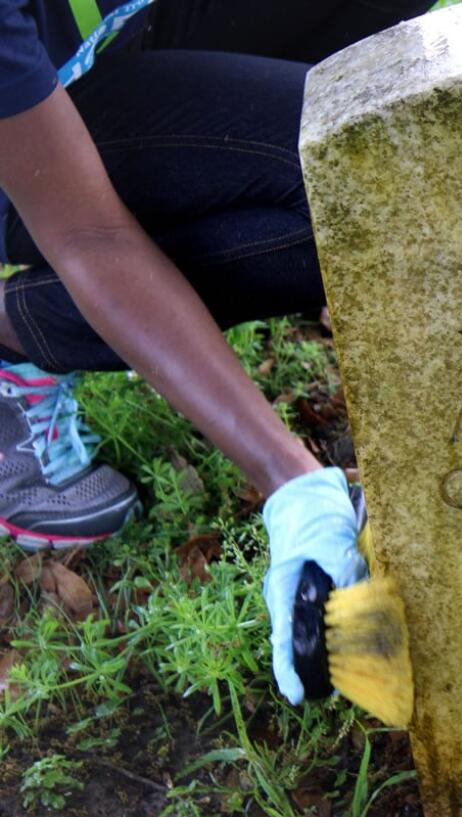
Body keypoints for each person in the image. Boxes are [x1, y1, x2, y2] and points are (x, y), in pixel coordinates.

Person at [0, 0, 435, 704]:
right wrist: (292, 483)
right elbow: (90, 236)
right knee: (351, 172)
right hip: (21, 141)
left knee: (361, 139)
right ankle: (16, 329)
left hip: (119, 37)